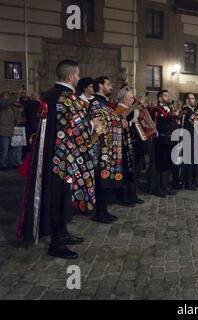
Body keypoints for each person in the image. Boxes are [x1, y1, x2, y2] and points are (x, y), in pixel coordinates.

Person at [18, 60, 96, 259]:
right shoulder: (67, 98)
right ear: (70, 76)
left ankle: (62, 232)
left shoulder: (51, 95)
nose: (78, 78)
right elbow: (79, 127)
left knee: (57, 195)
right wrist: (94, 124)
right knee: (59, 196)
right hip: (61, 158)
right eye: (77, 75)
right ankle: (57, 243)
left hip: (50, 154)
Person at [90, 76, 131, 223]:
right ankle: (99, 212)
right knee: (100, 181)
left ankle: (104, 210)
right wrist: (118, 121)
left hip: (109, 148)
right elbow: (100, 124)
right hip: (100, 148)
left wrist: (120, 120)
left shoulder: (106, 104)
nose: (111, 87)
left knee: (105, 181)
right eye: (108, 84)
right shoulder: (95, 103)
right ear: (100, 86)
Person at [114, 87, 144, 206]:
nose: (133, 99)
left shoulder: (127, 108)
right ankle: (123, 197)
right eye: (132, 97)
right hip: (122, 145)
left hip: (130, 144)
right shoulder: (120, 108)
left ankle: (132, 195)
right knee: (125, 171)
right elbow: (121, 122)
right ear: (125, 98)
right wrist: (134, 114)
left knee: (131, 171)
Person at [150, 90, 177, 197]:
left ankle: (166, 186)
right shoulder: (155, 110)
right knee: (159, 164)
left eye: (168, 95)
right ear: (160, 98)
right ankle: (157, 187)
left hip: (168, 139)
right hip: (159, 139)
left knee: (166, 164)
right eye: (165, 95)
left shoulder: (169, 109)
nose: (168, 97)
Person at [180, 92, 198, 191]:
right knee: (189, 162)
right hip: (188, 138)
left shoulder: (193, 110)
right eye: (192, 98)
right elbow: (195, 120)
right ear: (187, 100)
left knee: (195, 161)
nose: (194, 100)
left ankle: (195, 181)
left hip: (195, 138)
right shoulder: (186, 110)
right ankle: (188, 182)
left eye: (194, 98)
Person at [0, 91, 18, 170]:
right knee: (4, 150)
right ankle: (3, 164)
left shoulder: (11, 106)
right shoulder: (2, 103)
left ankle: (10, 163)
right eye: (6, 95)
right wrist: (17, 93)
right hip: (3, 130)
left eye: (9, 95)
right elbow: (5, 103)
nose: (8, 97)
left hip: (11, 130)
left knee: (12, 149)